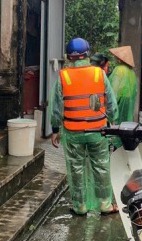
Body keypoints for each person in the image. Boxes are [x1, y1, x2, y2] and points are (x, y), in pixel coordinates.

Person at [49, 37, 119, 215]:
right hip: (98, 131)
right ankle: (105, 204)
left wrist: (55, 130)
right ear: (87, 54)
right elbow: (111, 102)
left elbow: (57, 107)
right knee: (102, 166)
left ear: (69, 56)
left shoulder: (63, 76)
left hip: (73, 132)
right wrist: (113, 120)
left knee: (76, 168)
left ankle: (79, 206)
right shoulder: (99, 73)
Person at [107, 45, 138, 148]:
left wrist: (110, 111)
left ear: (120, 59)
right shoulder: (132, 73)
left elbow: (113, 92)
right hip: (128, 107)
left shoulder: (119, 70)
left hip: (119, 106)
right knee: (124, 131)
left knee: (115, 130)